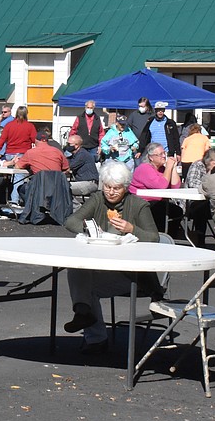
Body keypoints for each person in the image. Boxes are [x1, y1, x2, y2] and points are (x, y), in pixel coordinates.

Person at [62, 160, 160, 354]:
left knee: (85, 287)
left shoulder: (138, 205)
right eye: (107, 187)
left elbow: (154, 237)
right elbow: (70, 221)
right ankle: (83, 314)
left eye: (116, 188)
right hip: (102, 266)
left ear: (125, 187)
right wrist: (87, 228)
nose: (111, 192)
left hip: (132, 275)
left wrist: (133, 229)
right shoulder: (98, 199)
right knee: (76, 268)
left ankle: (94, 335)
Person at [129, 142, 182, 231]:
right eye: (160, 154)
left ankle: (169, 236)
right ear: (151, 157)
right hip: (142, 203)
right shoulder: (144, 168)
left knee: (176, 211)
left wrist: (173, 168)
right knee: (167, 211)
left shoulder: (162, 170)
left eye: (164, 153)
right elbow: (161, 185)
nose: (164, 156)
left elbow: (175, 187)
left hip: (158, 202)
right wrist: (168, 167)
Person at [65, 134, 99, 200]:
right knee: (63, 186)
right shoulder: (75, 155)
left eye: (69, 144)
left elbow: (68, 167)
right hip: (82, 182)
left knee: (63, 188)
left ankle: (77, 208)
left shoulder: (82, 154)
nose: (67, 146)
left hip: (89, 184)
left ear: (77, 145)